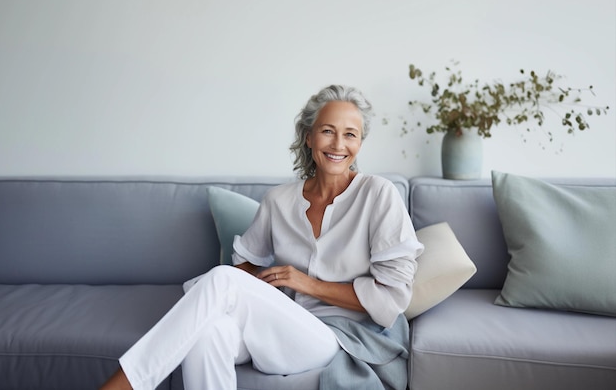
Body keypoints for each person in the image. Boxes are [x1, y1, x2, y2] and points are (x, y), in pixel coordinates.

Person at [99, 85, 424, 390]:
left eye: (350, 134)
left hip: (340, 337)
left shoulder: (378, 194)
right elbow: (245, 265)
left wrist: (304, 283)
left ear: (360, 143)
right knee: (208, 332)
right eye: (328, 131)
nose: (339, 145)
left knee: (222, 279)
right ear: (309, 137)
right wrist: (249, 289)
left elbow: (392, 300)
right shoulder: (278, 200)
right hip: (281, 330)